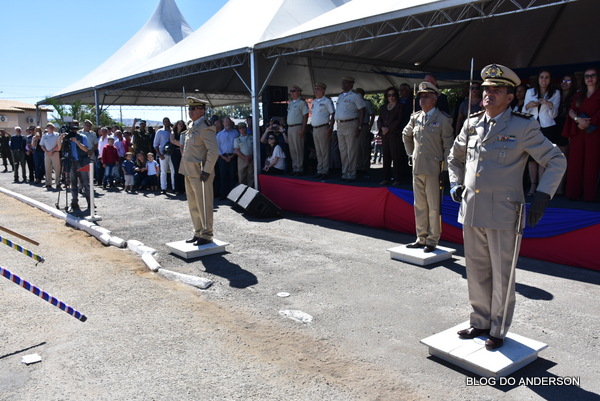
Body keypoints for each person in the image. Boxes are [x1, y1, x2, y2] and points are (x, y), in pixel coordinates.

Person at [448, 64, 566, 349]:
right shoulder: (471, 123)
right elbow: (454, 157)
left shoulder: (523, 126)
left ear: (510, 97)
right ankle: (479, 321)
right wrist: (455, 184)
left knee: (502, 273)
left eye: (496, 90)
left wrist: (542, 196)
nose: (488, 93)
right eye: (486, 89)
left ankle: (498, 328)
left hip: (504, 211)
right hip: (472, 208)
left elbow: (556, 160)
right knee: (476, 269)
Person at [403, 82, 454, 252]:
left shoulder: (443, 119)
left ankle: (432, 240)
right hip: (417, 166)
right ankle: (421, 237)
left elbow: (448, 145)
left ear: (434, 98)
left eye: (426, 96)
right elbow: (406, 135)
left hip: (434, 168)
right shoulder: (415, 117)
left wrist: (446, 168)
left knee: (433, 206)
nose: (422, 99)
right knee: (419, 205)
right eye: (420, 96)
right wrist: (411, 154)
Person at [179, 96, 218, 246]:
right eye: (189, 109)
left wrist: (207, 170)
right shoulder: (191, 125)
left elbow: (213, 151)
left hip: (201, 171)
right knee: (193, 203)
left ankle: (207, 234)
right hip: (189, 170)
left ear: (202, 110)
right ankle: (198, 231)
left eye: (194, 109)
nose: (190, 111)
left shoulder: (206, 126)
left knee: (204, 203)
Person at [562, 67, 600, 201]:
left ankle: (589, 196)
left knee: (591, 163)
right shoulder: (579, 95)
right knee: (575, 162)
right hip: (579, 131)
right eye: (587, 76)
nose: (589, 78)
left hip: (594, 132)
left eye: (593, 75)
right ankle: (573, 193)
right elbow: (571, 110)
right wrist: (578, 120)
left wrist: (589, 122)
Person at [524, 70, 562, 196]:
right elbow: (524, 112)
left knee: (544, 157)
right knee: (531, 158)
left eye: (546, 77)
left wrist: (548, 104)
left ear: (550, 80)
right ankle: (533, 186)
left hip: (548, 127)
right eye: (541, 77)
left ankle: (541, 186)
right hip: (532, 126)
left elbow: (554, 115)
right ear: (538, 79)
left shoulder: (555, 93)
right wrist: (529, 105)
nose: (544, 80)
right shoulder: (530, 92)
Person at [335, 76, 365, 182]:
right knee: (342, 150)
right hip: (340, 125)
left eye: (346, 83)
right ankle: (345, 172)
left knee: (351, 150)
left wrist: (359, 126)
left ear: (351, 84)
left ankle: (351, 173)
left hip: (351, 124)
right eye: (343, 82)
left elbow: (362, 110)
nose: (343, 84)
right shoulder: (340, 96)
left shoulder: (355, 96)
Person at [58, 121, 91, 212]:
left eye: (75, 128)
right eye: (72, 129)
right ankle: (74, 202)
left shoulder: (82, 137)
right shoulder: (66, 138)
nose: (74, 130)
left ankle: (90, 203)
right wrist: (60, 138)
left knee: (85, 183)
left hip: (82, 162)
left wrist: (77, 142)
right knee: (73, 183)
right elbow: (59, 148)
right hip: (71, 162)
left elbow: (85, 149)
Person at [377, 86, 404, 186]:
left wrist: (389, 128)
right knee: (386, 156)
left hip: (394, 135)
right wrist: (382, 128)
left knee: (395, 156)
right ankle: (385, 178)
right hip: (385, 135)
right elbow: (379, 119)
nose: (391, 97)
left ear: (396, 96)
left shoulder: (400, 106)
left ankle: (397, 178)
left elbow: (399, 120)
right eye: (389, 95)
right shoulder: (384, 107)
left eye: (393, 95)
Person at [310, 82, 335, 179]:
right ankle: (319, 170)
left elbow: (333, 113)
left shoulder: (327, 101)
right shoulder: (314, 101)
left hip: (323, 127)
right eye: (315, 89)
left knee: (324, 151)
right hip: (315, 129)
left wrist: (330, 127)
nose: (316, 91)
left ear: (323, 90)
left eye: (318, 89)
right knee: (318, 151)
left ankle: (325, 171)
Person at [287, 85, 309, 175]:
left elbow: (305, 116)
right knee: (292, 149)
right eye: (291, 91)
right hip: (290, 127)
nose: (292, 92)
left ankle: (300, 168)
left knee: (298, 148)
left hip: (297, 127)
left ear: (299, 92)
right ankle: (295, 167)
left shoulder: (302, 103)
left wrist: (303, 128)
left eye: (294, 91)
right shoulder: (291, 103)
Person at [216, 116, 239, 198]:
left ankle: (233, 196)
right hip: (222, 157)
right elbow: (217, 147)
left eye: (228, 121)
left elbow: (237, 145)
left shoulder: (236, 133)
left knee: (232, 176)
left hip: (233, 156)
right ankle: (223, 195)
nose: (227, 123)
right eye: (225, 122)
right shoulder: (219, 135)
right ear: (223, 123)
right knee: (223, 176)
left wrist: (232, 156)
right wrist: (224, 157)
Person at [355, 88, 376, 173]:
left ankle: (365, 166)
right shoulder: (354, 103)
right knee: (357, 147)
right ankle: (358, 165)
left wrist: (369, 127)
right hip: (355, 126)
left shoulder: (366, 103)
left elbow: (372, 114)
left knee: (364, 147)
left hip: (364, 126)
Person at [154, 117, 175, 194]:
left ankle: (174, 187)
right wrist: (160, 154)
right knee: (163, 171)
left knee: (173, 171)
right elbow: (155, 144)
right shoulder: (159, 132)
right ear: (163, 123)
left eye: (168, 121)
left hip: (172, 153)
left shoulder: (173, 131)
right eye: (165, 121)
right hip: (163, 154)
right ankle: (163, 188)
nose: (166, 122)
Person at [40, 123, 61, 189]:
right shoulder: (44, 136)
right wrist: (47, 151)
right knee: (48, 168)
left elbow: (59, 145)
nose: (50, 128)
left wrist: (52, 151)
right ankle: (48, 183)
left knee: (57, 169)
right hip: (47, 154)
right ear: (47, 128)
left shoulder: (57, 135)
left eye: (52, 127)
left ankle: (58, 183)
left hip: (55, 153)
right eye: (49, 127)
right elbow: (42, 145)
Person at [169, 119, 187, 194]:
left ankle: (183, 189)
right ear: (176, 124)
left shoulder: (185, 133)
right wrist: (182, 144)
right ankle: (177, 189)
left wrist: (181, 144)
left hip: (183, 153)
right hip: (175, 154)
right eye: (179, 124)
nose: (180, 125)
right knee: (176, 171)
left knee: (183, 171)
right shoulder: (173, 132)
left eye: (182, 124)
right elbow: (173, 141)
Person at [233, 122, 254, 187]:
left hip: (251, 158)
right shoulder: (237, 139)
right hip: (242, 159)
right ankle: (242, 193)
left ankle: (250, 192)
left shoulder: (251, 137)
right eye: (240, 128)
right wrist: (245, 158)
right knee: (242, 177)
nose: (242, 129)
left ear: (246, 128)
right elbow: (236, 150)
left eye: (243, 127)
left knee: (251, 176)